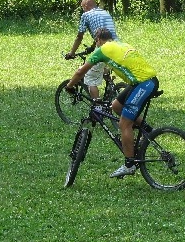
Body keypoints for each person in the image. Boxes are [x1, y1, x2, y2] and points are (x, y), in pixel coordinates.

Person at [65, 27, 159, 178]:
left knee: (124, 124)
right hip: (145, 81)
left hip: (143, 84)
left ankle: (129, 164)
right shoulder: (121, 44)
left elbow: (80, 72)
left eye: (96, 42)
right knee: (116, 106)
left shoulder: (102, 49)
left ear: (98, 40)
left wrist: (69, 86)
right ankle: (147, 130)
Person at [65, 0, 119, 99]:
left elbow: (79, 37)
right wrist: (93, 46)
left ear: (85, 6)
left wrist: (72, 53)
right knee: (104, 69)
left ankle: (97, 108)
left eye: (82, 7)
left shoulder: (86, 15)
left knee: (90, 77)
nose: (82, 10)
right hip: (117, 46)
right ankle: (112, 89)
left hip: (104, 49)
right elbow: (103, 34)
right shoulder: (105, 12)